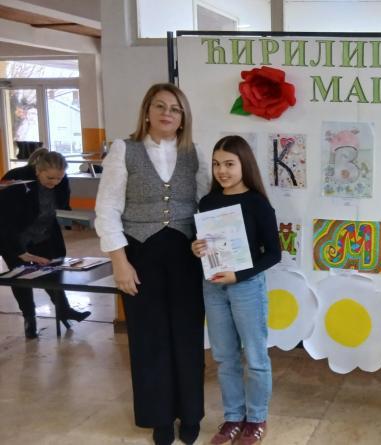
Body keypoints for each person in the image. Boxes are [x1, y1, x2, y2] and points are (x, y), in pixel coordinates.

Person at [94, 83, 209, 445]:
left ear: (183, 118)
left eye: (175, 109)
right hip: (140, 255)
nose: (167, 113)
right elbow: (107, 208)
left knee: (188, 336)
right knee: (148, 338)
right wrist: (119, 262)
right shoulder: (123, 150)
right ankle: (159, 416)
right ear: (147, 112)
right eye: (160, 106)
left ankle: (190, 413)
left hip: (186, 255)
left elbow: (207, 204)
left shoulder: (195, 153)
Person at [191, 135, 280, 445]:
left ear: (245, 165)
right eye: (217, 164)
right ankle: (233, 417)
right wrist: (196, 248)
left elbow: (274, 253)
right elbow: (203, 244)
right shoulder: (208, 202)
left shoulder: (257, 203)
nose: (222, 171)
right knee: (224, 357)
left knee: (255, 357)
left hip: (246, 288)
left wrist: (239, 274)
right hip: (213, 286)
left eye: (229, 164)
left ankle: (256, 418)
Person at [0, 149, 91, 338]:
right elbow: (5, 221)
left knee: (52, 273)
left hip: (44, 234)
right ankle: (30, 318)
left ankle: (64, 311)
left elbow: (62, 207)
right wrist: (20, 252)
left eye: (59, 178)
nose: (55, 182)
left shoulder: (60, 180)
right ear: (37, 170)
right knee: (22, 277)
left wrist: (73, 221)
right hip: (14, 237)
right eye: (50, 178)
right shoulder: (16, 179)